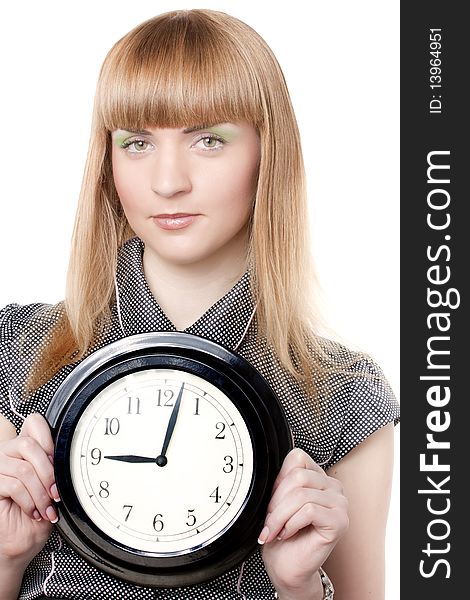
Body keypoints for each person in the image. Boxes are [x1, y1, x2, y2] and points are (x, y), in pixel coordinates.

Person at [0, 8, 400, 600]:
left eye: (208, 140)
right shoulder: (20, 352)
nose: (168, 181)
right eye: (137, 142)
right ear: (107, 164)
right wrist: (7, 561)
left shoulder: (341, 395)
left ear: (269, 152)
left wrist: (299, 588)